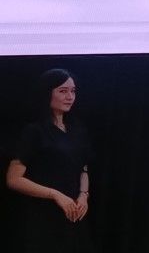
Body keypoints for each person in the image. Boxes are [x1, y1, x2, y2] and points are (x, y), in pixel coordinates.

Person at [5, 68, 95, 253]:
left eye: (73, 91)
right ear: (47, 93)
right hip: (42, 217)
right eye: (63, 91)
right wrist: (55, 195)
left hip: (73, 214)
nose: (70, 97)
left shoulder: (77, 130)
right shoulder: (34, 131)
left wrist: (84, 195)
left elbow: (83, 169)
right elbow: (13, 179)